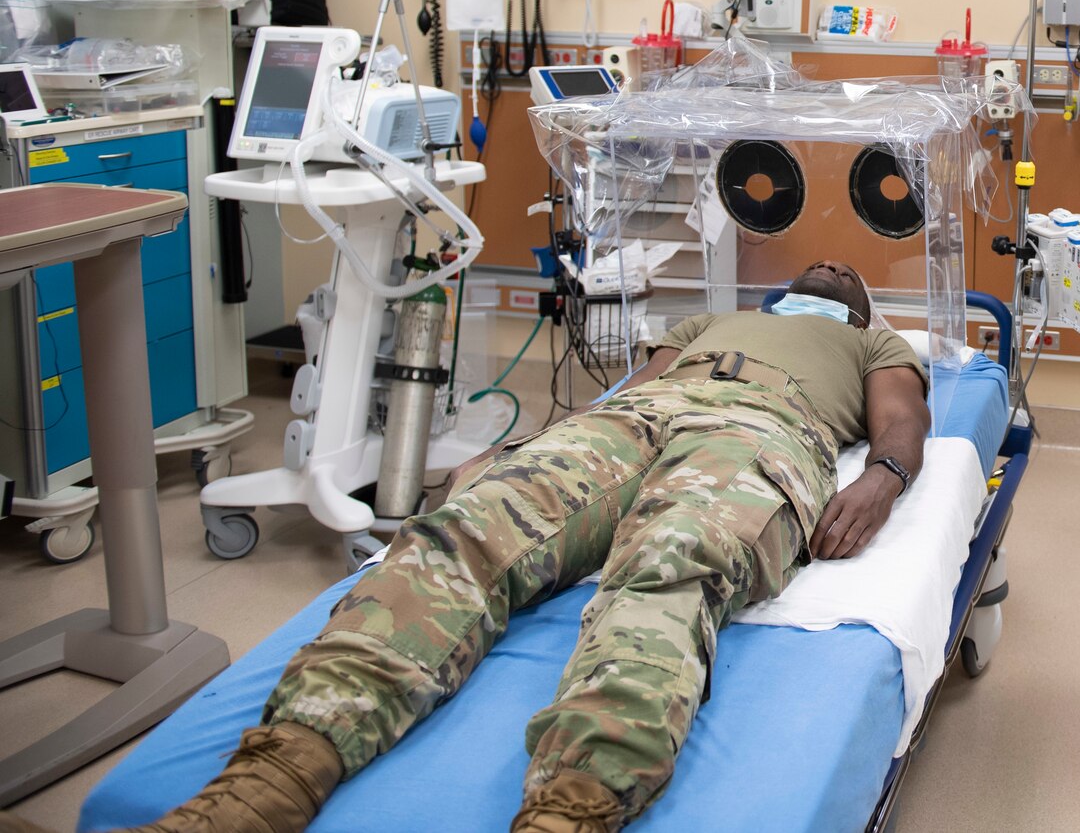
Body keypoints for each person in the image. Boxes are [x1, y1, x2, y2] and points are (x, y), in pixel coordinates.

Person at [76, 261, 926, 833]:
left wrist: (880, 480)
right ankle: (271, 777)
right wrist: (531, 450)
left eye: (843, 268)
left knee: (669, 568)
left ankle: (572, 809)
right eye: (815, 262)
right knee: (466, 530)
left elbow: (901, 417)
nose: (826, 261)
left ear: (857, 306)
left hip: (760, 429)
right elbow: (637, 387)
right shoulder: (716, 317)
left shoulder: (870, 340)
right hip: (631, 419)